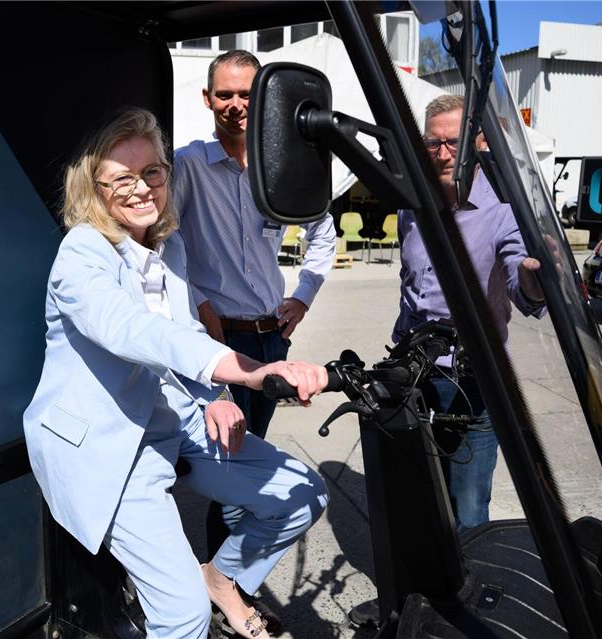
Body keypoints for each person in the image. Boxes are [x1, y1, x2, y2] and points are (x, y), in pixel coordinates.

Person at [23, 108, 330, 639]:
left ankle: (221, 579)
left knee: (304, 493)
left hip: (175, 418)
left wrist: (214, 393)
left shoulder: (170, 246)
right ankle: (196, 601)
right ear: (93, 187)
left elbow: (183, 324)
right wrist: (252, 371)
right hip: (114, 443)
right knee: (181, 617)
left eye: (152, 173)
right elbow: (136, 332)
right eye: (122, 178)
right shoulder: (82, 254)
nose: (141, 189)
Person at [350, 93, 545, 628]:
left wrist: (534, 269)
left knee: (468, 506)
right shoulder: (411, 205)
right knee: (412, 501)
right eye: (432, 142)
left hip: (476, 381)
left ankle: (463, 615)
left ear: (478, 144)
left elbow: (521, 282)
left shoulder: (504, 212)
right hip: (413, 375)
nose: (440, 152)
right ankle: (412, 601)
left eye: (452, 143)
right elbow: (411, 290)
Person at [171, 49, 338, 584]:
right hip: (215, 345)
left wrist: (303, 296)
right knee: (228, 476)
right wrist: (198, 304)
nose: (237, 105)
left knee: (249, 465)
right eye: (225, 94)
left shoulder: (282, 167)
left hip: (269, 345)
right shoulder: (188, 166)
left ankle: (227, 583)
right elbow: (165, 240)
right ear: (207, 99)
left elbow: (323, 233)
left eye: (248, 94)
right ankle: (224, 590)